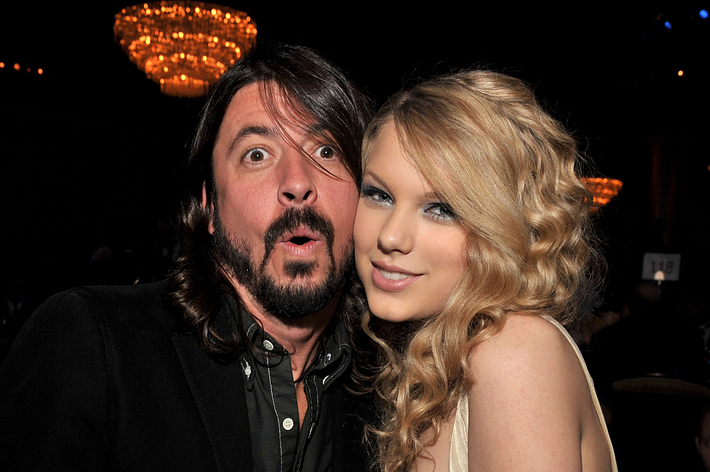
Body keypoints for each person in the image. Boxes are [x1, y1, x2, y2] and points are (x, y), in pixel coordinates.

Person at [0, 44, 373, 471]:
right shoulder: (92, 346)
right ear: (209, 207)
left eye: (326, 151)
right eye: (257, 155)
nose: (297, 182)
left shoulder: (394, 396)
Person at [353, 70, 617, 471]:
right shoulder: (448, 358)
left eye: (440, 209)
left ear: (500, 226)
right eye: (379, 195)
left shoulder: (516, 352)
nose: (391, 236)